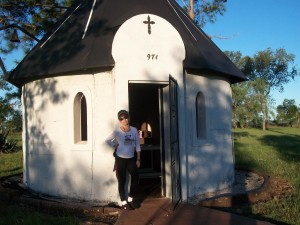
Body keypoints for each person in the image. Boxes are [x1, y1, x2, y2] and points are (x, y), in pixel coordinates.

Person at [106, 110, 141, 210]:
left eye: (125, 117)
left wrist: (138, 159)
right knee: (122, 180)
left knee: (135, 177)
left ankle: (130, 198)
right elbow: (107, 140)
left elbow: (138, 145)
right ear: (119, 120)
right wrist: (115, 145)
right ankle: (123, 202)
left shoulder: (134, 130)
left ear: (128, 118)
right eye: (121, 118)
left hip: (131, 159)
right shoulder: (117, 131)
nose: (124, 120)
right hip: (120, 159)